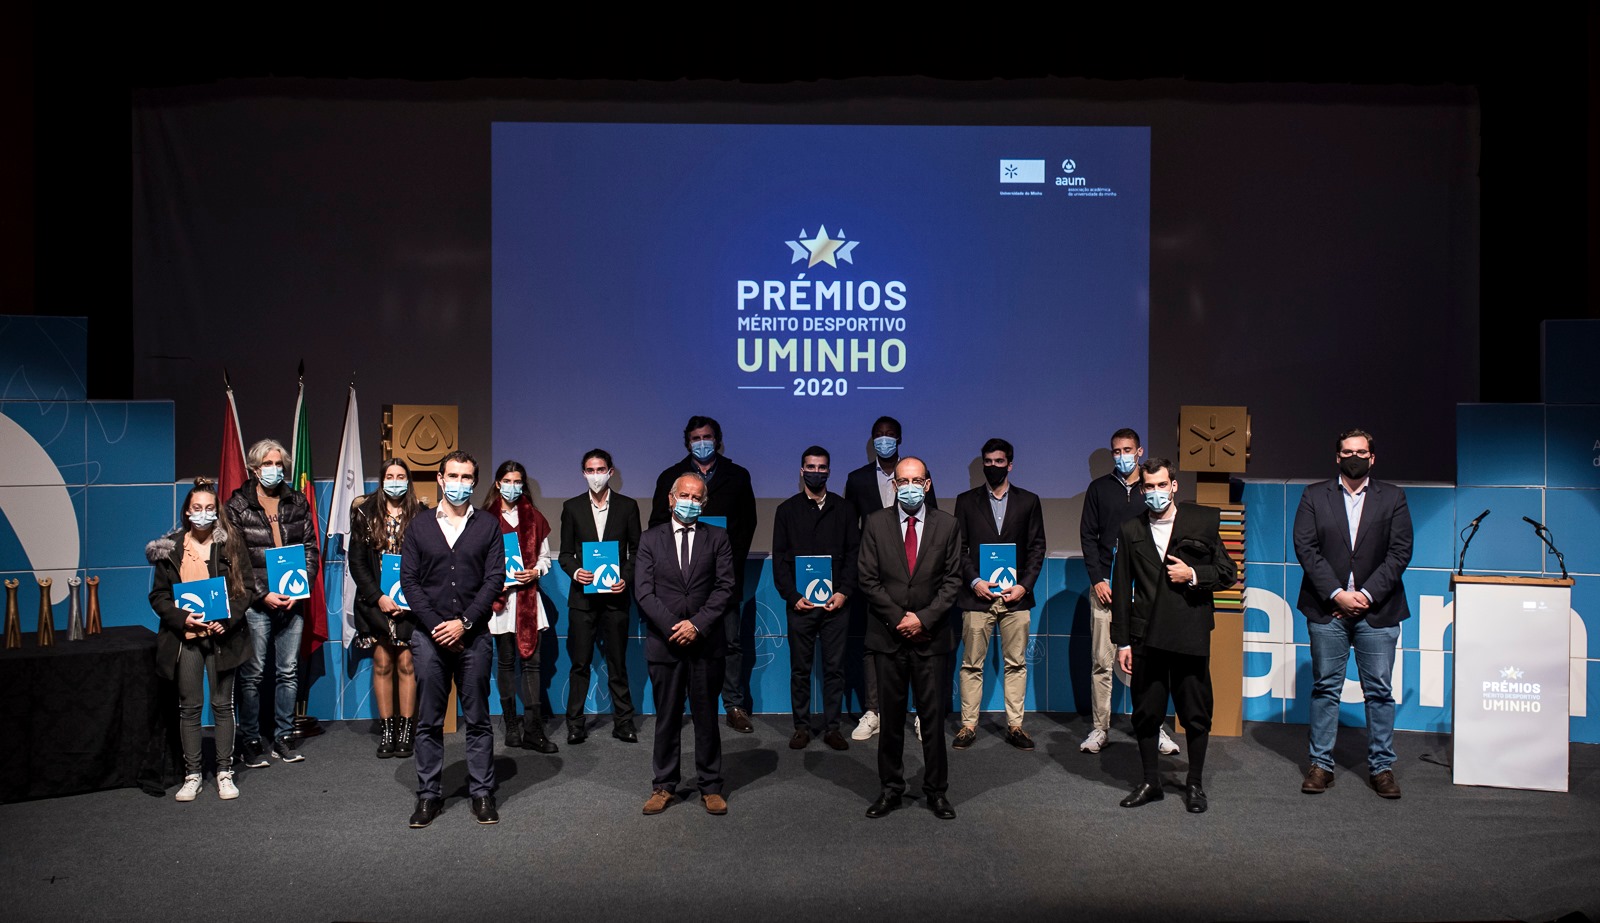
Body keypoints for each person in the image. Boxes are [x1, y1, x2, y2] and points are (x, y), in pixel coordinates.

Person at [1292, 429, 1413, 799]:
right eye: (1347, 452)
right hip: (1327, 609)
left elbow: (1400, 551)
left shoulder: (1393, 497)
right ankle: (1320, 765)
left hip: (1378, 610)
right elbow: (1305, 547)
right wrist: (1337, 594)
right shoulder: (1314, 495)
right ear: (1337, 457)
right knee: (1325, 688)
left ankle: (1382, 768)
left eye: (1361, 452)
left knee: (1379, 692)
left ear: (1372, 458)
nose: (1354, 457)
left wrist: (1365, 595)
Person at [1111, 458, 1236, 813]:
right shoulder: (1130, 530)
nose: (1155, 492)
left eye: (1161, 485)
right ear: (1141, 489)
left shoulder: (1199, 522)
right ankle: (1151, 782)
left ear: (1174, 485)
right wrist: (1122, 642)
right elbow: (1121, 588)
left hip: (1188, 631)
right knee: (1146, 712)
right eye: (1149, 486)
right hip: (1145, 635)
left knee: (1195, 712)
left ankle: (1194, 784)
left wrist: (1193, 574)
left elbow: (1228, 572)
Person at [401, 451, 505, 827]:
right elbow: (409, 581)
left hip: (474, 637)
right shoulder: (419, 526)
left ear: (474, 482)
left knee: (477, 719)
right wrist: (438, 627)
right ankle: (428, 795)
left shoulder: (488, 525)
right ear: (440, 479)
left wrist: (463, 623)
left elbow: (494, 578)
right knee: (429, 720)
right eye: (453, 476)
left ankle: (482, 793)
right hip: (429, 638)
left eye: (466, 477)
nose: (459, 483)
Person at [856, 457, 964, 820]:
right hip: (888, 637)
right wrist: (899, 618)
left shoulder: (947, 525)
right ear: (894, 486)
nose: (910, 487)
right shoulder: (875, 523)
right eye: (903, 481)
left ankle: (936, 791)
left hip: (931, 638)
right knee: (890, 720)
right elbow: (867, 578)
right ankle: (890, 789)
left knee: (932, 720)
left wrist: (923, 618)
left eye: (916, 481)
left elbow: (952, 580)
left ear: (928, 485)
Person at [649, 416, 757, 734]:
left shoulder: (738, 476)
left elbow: (746, 525)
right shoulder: (670, 476)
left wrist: (724, 565)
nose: (702, 442)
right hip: (679, 581)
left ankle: (733, 705)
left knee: (730, 643)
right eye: (696, 438)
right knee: (680, 641)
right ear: (688, 442)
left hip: (723, 579)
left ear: (718, 440)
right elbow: (657, 525)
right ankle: (679, 706)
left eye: (707, 437)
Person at [148, 478, 254, 801]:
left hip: (223, 638)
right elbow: (159, 596)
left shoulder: (231, 543)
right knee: (190, 707)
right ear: (187, 511)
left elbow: (246, 589)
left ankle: (224, 771)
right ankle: (192, 774)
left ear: (217, 511)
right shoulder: (171, 547)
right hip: (187, 640)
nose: (203, 513)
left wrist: (227, 619)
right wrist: (182, 618)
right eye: (197, 508)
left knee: (223, 705)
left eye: (209, 508)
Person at [636, 473, 735, 816]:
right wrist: (673, 627)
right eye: (684, 495)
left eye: (696, 498)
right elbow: (644, 592)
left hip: (706, 643)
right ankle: (664, 785)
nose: (690, 502)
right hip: (665, 644)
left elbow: (725, 587)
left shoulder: (718, 537)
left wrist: (697, 625)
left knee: (707, 718)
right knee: (667, 717)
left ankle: (711, 786)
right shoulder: (649, 539)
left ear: (703, 503)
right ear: (671, 498)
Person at [1077, 427, 1179, 756]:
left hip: (1146, 592)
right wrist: (1097, 579)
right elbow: (1088, 536)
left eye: (1127, 450)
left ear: (1139, 451)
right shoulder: (1098, 489)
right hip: (1106, 589)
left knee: (1150, 663)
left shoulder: (1150, 489)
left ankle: (1154, 726)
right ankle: (1100, 728)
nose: (1122, 456)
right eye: (1116, 451)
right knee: (1101, 662)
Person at [224, 438, 320, 767]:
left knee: (288, 672)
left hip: (293, 600)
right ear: (254, 468)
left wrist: (300, 588)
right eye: (268, 464)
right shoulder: (237, 506)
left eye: (279, 464)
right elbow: (235, 559)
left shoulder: (297, 501)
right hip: (257, 603)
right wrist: (262, 593)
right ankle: (250, 739)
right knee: (252, 674)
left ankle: (283, 736)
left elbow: (310, 549)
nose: (274, 469)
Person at [843, 415, 939, 741]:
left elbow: (932, 522)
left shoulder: (918, 474)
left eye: (890, 434)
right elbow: (851, 529)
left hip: (915, 572)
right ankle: (874, 711)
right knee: (874, 645)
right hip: (875, 577)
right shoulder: (857, 479)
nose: (884, 439)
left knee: (919, 643)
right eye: (879, 435)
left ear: (899, 439)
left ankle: (922, 713)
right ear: (872, 440)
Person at [952, 438, 1046, 751]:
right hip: (977, 596)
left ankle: (1016, 726)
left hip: (1015, 597)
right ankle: (968, 726)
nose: (993, 466)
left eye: (999, 461)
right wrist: (974, 581)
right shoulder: (966, 501)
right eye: (988, 462)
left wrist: (1024, 585)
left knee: (1016, 663)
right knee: (971, 664)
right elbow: (959, 548)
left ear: (1010, 464)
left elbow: (1037, 547)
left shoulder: (1029, 501)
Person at [771, 446, 859, 751]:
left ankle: (833, 728)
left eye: (822, 467)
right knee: (800, 670)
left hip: (836, 605)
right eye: (810, 467)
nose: (816, 472)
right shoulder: (786, 510)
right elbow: (779, 559)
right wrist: (792, 596)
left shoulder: (845, 509)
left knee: (835, 669)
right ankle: (802, 727)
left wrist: (844, 591)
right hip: (800, 605)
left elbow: (854, 555)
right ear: (801, 470)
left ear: (829, 471)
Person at [558, 449, 641, 744]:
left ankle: (624, 722)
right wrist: (576, 571)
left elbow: (637, 551)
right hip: (583, 599)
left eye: (601, 469)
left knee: (617, 663)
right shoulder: (572, 507)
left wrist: (625, 578)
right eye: (591, 470)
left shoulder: (628, 506)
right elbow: (565, 554)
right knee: (580, 664)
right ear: (584, 473)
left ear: (611, 471)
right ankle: (575, 724)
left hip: (615, 599)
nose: (596, 475)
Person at [347, 459, 425, 759]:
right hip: (376, 602)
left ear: (408, 480)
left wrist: (411, 598)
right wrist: (378, 596)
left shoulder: (421, 514)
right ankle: (388, 730)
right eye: (390, 476)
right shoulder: (364, 513)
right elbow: (357, 561)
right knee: (382, 664)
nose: (395, 481)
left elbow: (428, 562)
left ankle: (406, 731)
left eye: (400, 476)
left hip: (409, 604)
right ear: (382, 480)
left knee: (406, 664)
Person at [483, 460, 558, 754]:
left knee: (532, 663)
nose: (512, 487)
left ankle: (534, 729)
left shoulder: (534, 517)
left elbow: (545, 559)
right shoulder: (484, 518)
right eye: (507, 481)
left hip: (527, 598)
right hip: (500, 602)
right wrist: (493, 581)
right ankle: (512, 726)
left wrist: (535, 572)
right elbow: (476, 560)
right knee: (505, 661)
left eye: (518, 482)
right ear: (498, 483)